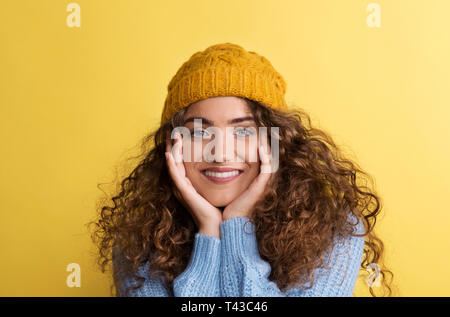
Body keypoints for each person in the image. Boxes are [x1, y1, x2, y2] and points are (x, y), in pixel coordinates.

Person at [90, 42, 393, 297]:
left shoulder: (335, 230)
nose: (221, 153)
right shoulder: (140, 239)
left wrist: (236, 226)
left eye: (244, 131)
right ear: (173, 146)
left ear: (278, 142)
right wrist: (210, 232)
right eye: (198, 132)